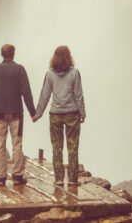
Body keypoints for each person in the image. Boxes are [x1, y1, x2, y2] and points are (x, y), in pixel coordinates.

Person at [32, 45, 86, 186]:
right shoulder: (74, 73)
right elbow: (78, 95)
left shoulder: (49, 74)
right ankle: (73, 180)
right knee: (72, 148)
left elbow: (45, 95)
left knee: (57, 148)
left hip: (55, 114)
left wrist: (37, 115)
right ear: (69, 57)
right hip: (72, 114)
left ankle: (59, 179)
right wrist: (82, 113)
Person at [0, 43, 35, 186]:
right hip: (16, 114)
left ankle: (0, 178)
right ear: (13, 54)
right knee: (17, 143)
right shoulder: (19, 69)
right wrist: (33, 112)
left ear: (2, 54)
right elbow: (26, 93)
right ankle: (17, 177)